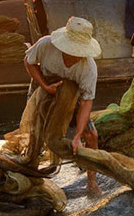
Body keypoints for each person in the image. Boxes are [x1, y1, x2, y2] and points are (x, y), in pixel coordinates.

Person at [24, 16, 103, 197]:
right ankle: (30, 176)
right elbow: (28, 61)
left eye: (80, 52)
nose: (76, 56)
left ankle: (92, 183)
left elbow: (86, 102)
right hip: (42, 89)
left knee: (92, 135)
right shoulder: (45, 45)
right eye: (72, 51)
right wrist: (45, 86)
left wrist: (77, 135)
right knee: (35, 135)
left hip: (71, 96)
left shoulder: (88, 68)